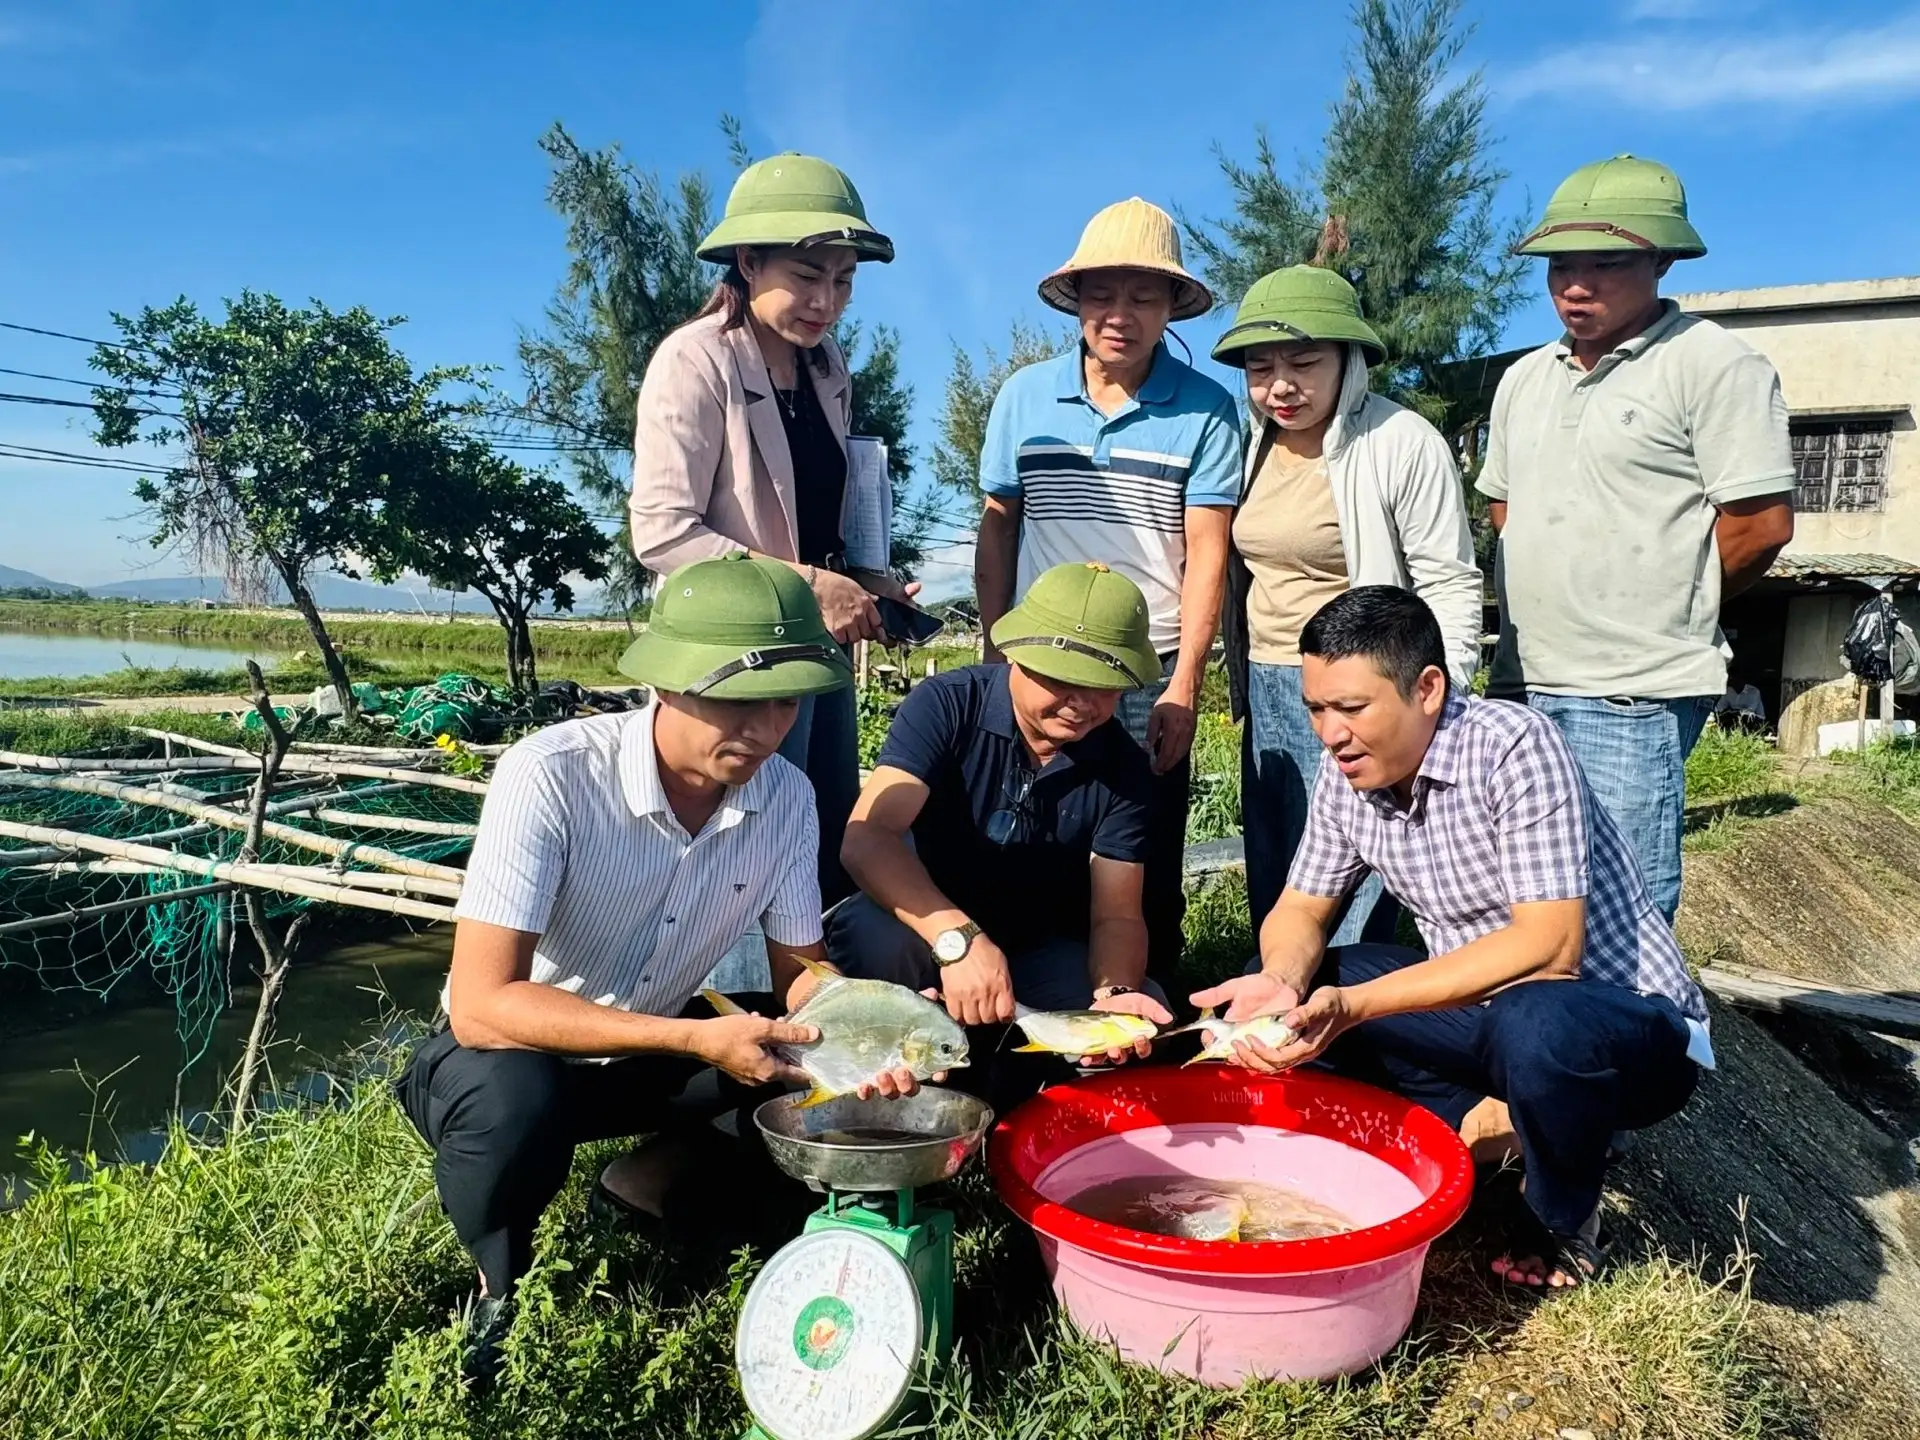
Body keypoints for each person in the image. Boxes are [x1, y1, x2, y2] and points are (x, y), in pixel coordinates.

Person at [393, 555, 927, 1383]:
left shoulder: (784, 797)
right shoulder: (552, 775)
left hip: (660, 1048)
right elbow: (481, 1004)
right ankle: (499, 1285)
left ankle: (647, 1182)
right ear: (667, 686)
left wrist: (869, 1024)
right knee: (513, 1102)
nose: (764, 730)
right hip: (514, 1052)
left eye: (785, 702)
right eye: (737, 703)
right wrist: (693, 1038)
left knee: (802, 1071)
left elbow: (800, 975)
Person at [1193, 586, 1711, 1290]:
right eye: (1317, 708)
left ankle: (1561, 1214)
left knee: (1539, 1022)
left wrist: (1357, 1006)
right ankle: (1477, 1129)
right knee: (1294, 989)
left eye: (1351, 708)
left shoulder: (1513, 748)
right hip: (1488, 1021)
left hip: (1622, 1029)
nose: (1329, 732)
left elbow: (1547, 950)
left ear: (1427, 689)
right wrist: (1281, 983)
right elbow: (1301, 910)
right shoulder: (1346, 774)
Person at [1480, 154, 1794, 922]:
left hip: (1633, 689)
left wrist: (1666, 598)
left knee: (1618, 907)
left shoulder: (1713, 364)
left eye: (1607, 263)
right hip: (1522, 680)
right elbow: (1504, 509)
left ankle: (1639, 1044)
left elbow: (1760, 526)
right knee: (1514, 899)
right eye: (1561, 265)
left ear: (1660, 260)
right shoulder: (1525, 377)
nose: (1575, 285)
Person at [629, 151, 914, 908]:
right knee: (732, 844)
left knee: (812, 826)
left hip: (814, 642)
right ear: (749, 263)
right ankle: (714, 1011)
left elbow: (816, 513)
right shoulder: (693, 362)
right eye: (808, 276)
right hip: (732, 658)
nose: (827, 300)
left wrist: (866, 578)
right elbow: (662, 532)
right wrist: (810, 583)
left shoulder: (826, 368)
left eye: (844, 280)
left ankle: (815, 996)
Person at [974, 197, 1243, 984]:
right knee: (1026, 827)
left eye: (1143, 295)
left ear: (1170, 308)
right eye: (1102, 293)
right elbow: (999, 528)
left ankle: (1141, 1011)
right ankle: (1029, 994)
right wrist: (997, 649)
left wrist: (1186, 680)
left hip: (1144, 666)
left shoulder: (1207, 410)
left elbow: (1208, 552)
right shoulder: (1024, 397)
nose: (1119, 314)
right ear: (1077, 299)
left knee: (1145, 847)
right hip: (1039, 655)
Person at [830, 562, 1175, 1111]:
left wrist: (1113, 993)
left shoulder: (1125, 771)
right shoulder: (946, 705)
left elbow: (1117, 915)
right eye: (1062, 679)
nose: (1083, 703)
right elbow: (868, 838)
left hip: (1035, 945)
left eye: (1105, 687)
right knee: (877, 937)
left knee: (1140, 1010)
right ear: (1015, 654)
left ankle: (1031, 1108)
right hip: (921, 927)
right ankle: (880, 1098)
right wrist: (958, 939)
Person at [1213, 264, 1482, 945]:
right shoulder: (1246, 446)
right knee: (1280, 875)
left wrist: (1440, 701)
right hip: (1271, 685)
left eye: (1304, 361)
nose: (1281, 385)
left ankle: (1352, 1022)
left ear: (1349, 361)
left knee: (1353, 886)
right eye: (1260, 366)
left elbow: (1447, 578)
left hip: (1360, 692)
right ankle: (1280, 1014)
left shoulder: (1398, 442)